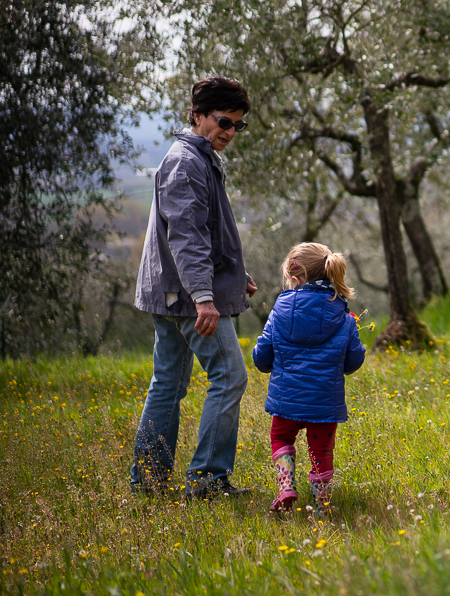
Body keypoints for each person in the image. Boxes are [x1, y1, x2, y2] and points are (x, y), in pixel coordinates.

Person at [130, 76, 258, 499]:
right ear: (198, 115)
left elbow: (207, 231)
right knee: (229, 377)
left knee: (167, 383)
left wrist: (235, 277)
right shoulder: (187, 162)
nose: (230, 132)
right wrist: (205, 296)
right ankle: (207, 481)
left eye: (238, 125)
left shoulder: (197, 156)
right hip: (187, 298)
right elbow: (186, 237)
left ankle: (149, 481)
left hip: (169, 291)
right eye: (223, 121)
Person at [253, 242, 366, 513]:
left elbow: (261, 358)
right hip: (324, 406)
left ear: (295, 279)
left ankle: (286, 487)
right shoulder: (345, 316)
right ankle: (323, 505)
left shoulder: (278, 312)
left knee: (281, 439)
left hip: (286, 403)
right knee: (322, 453)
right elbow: (353, 362)